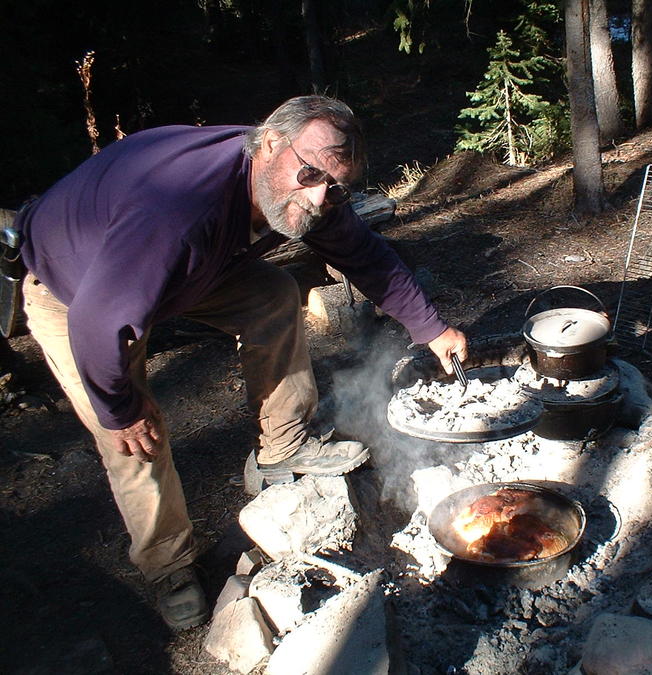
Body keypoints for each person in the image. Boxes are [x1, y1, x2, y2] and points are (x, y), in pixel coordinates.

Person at [13, 95, 467, 630]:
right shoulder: (179, 212)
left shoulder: (298, 185)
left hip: (182, 270)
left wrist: (431, 327)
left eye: (335, 187)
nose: (320, 197)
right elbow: (96, 322)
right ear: (270, 142)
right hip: (78, 292)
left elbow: (364, 254)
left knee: (273, 293)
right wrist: (117, 409)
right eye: (310, 175)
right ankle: (169, 565)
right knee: (136, 432)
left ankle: (283, 446)